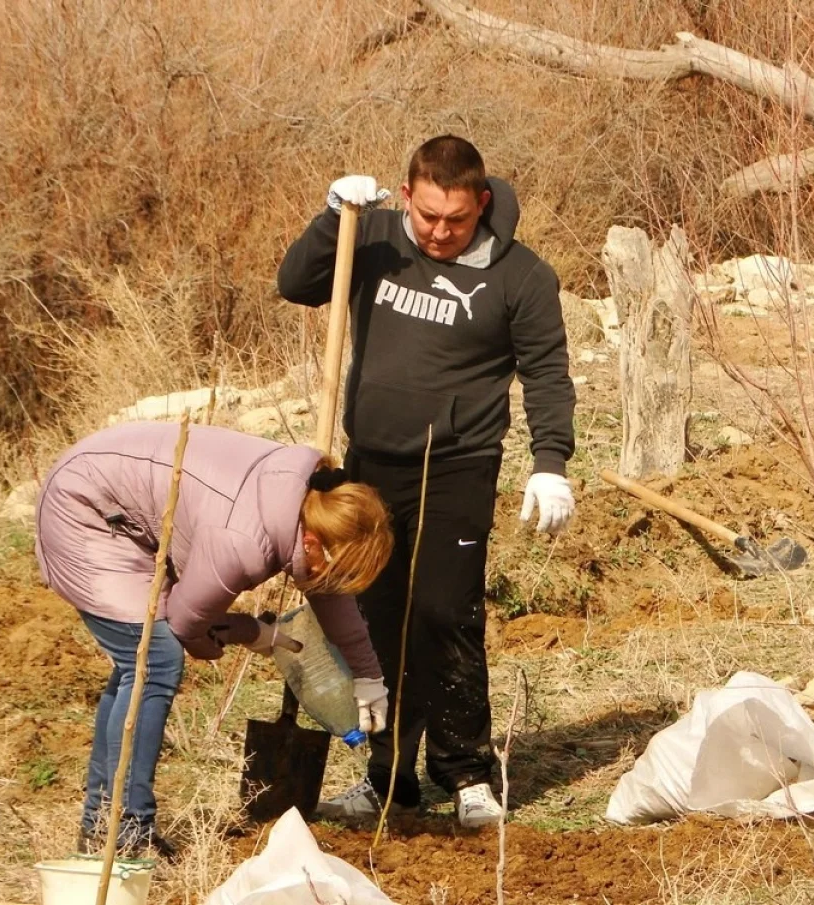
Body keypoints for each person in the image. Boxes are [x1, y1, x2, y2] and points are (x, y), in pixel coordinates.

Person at [277, 135, 576, 829]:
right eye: (429, 215)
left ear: (484, 203)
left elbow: (548, 374)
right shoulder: (372, 236)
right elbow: (296, 284)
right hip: (371, 465)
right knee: (372, 620)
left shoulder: (521, 278)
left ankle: (465, 770)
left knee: (446, 613)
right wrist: (332, 220)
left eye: (458, 219)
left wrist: (551, 463)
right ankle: (386, 776)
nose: (440, 232)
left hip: (460, 465)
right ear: (406, 195)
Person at [34, 421, 394, 858]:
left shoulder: (305, 500)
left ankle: (101, 825)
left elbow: (329, 593)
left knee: (139, 664)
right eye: (334, 568)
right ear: (313, 541)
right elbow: (187, 625)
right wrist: (253, 632)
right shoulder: (241, 542)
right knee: (155, 659)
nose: (334, 581)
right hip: (86, 506)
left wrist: (368, 676)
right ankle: (128, 830)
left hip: (113, 487)